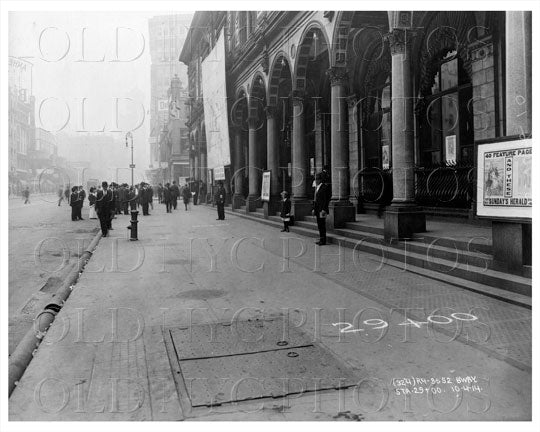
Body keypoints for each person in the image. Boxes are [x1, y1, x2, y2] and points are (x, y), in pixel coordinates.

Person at [312, 172, 331, 245]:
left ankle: (323, 240)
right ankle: (321, 239)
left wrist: (324, 209)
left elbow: (326, 200)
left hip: (322, 210)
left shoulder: (324, 187)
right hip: (317, 209)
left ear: (320, 180)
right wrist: (313, 208)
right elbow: (315, 200)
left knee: (322, 225)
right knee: (319, 225)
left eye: (317, 179)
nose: (316, 181)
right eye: (315, 179)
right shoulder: (317, 188)